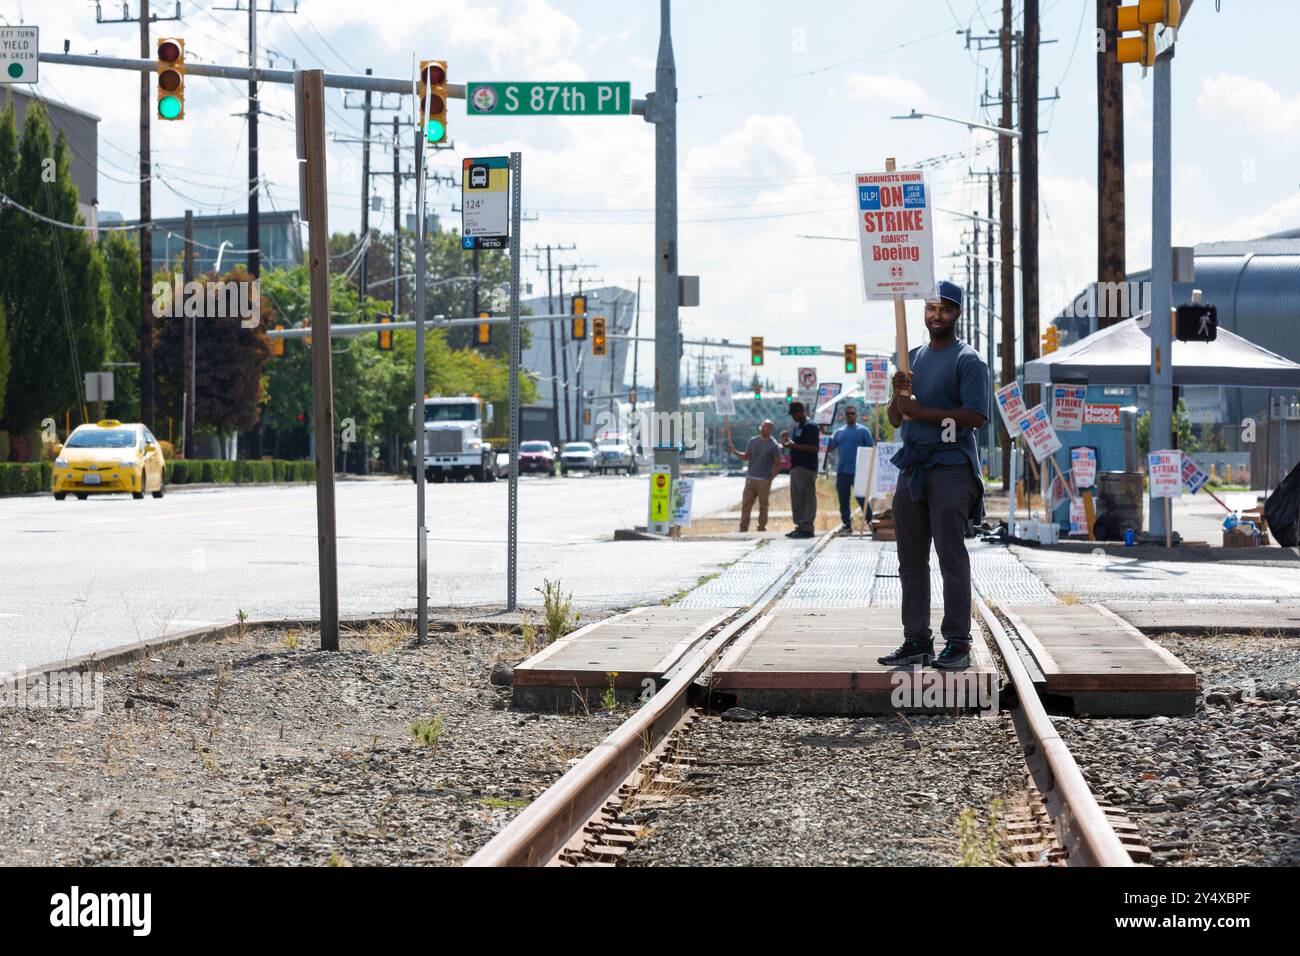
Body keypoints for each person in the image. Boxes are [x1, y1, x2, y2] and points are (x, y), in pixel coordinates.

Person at [878, 280, 990, 671]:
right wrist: (898, 394)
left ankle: (957, 642)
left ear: (957, 313)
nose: (935, 315)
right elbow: (896, 418)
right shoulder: (911, 358)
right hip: (913, 469)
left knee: (950, 557)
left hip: (951, 468)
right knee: (910, 561)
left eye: (944, 308)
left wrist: (921, 411)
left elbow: (976, 416)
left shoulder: (968, 360)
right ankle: (916, 640)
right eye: (930, 308)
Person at [826, 404, 875, 533]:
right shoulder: (839, 432)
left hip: (858, 472)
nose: (850, 416)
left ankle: (871, 522)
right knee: (843, 500)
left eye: (852, 413)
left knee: (861, 498)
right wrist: (824, 435)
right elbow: (830, 448)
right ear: (844, 416)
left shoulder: (863, 431)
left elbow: (871, 449)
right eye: (847, 413)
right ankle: (847, 525)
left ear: (856, 415)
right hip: (842, 471)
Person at [727, 419, 781, 532]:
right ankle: (743, 527)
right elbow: (746, 457)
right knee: (746, 504)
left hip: (764, 480)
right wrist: (734, 451)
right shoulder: (753, 441)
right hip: (750, 478)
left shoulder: (773, 445)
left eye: (766, 427)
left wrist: (770, 479)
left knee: (763, 505)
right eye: (762, 426)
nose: (763, 428)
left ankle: (761, 527)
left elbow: (777, 464)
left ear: (771, 429)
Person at [780, 401, 820, 539]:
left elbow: (814, 448)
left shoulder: (811, 427)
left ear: (801, 411)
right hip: (796, 467)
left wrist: (794, 446)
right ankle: (800, 526)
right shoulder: (797, 426)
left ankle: (808, 526)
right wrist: (785, 442)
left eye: (794, 414)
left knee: (807, 497)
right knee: (797, 498)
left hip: (807, 467)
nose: (793, 417)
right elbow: (795, 444)